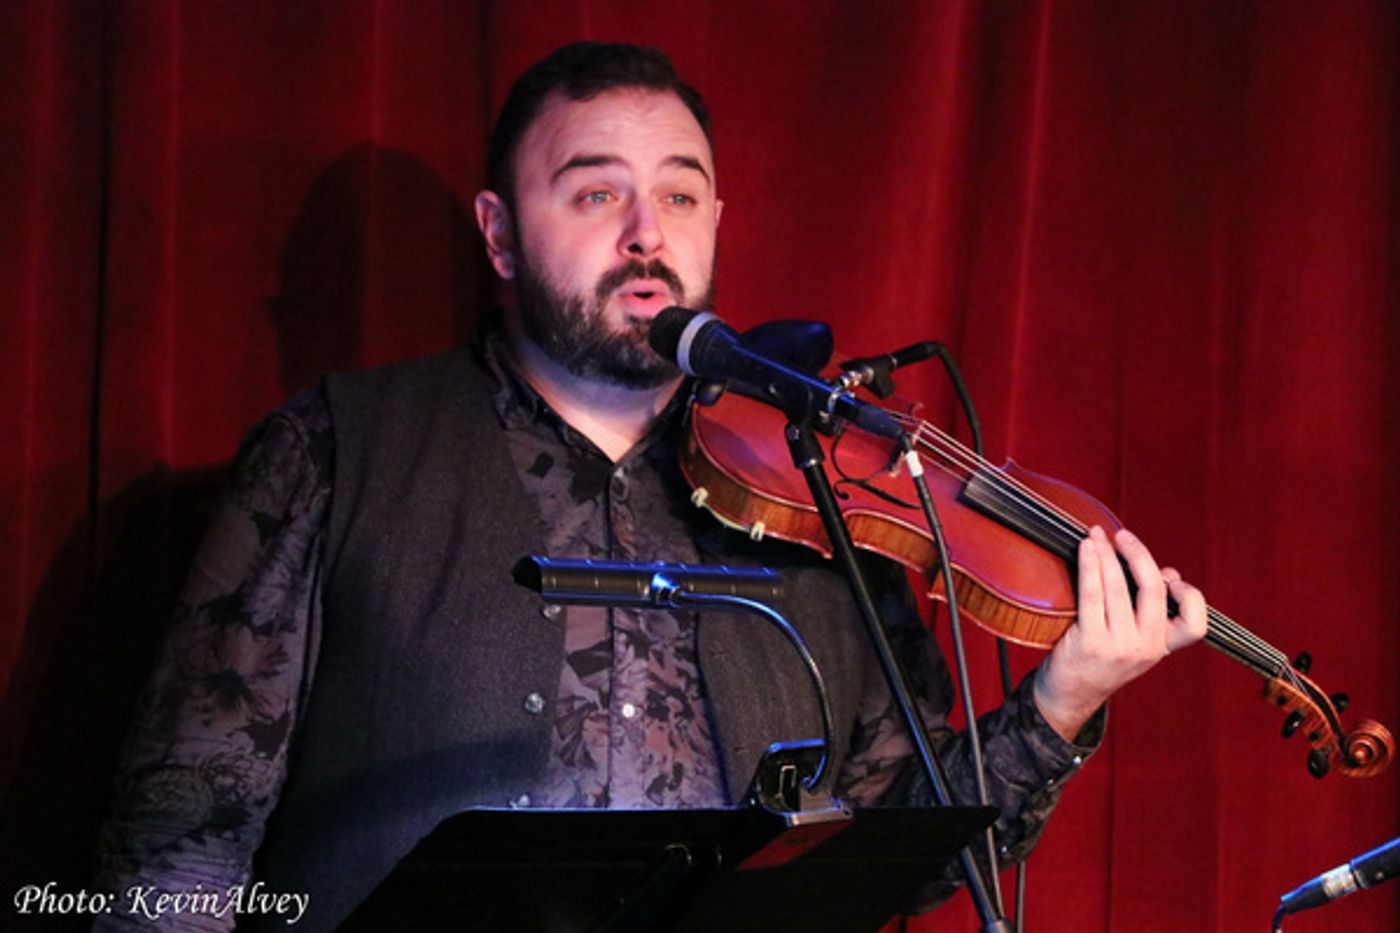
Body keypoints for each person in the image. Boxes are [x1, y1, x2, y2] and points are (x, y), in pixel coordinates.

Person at [92, 41, 1207, 931]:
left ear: (716, 223)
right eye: (594, 195)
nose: (645, 236)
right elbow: (180, 838)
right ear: (498, 234)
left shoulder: (817, 489)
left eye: (680, 196)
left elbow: (894, 853)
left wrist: (1061, 700)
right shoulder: (333, 451)